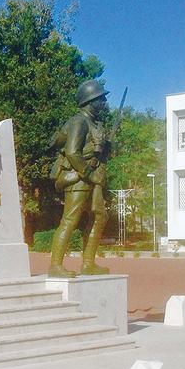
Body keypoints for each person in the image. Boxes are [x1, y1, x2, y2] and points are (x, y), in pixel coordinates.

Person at [48, 80, 111, 277]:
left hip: (93, 180)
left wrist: (105, 146)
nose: (104, 102)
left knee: (99, 217)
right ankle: (56, 266)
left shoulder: (93, 123)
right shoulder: (79, 121)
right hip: (79, 179)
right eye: (101, 99)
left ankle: (88, 264)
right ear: (91, 101)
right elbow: (73, 153)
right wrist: (90, 173)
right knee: (70, 220)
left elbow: (99, 153)